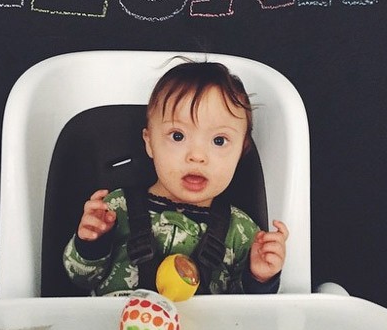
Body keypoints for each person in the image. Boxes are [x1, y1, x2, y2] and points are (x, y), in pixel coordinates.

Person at [63, 59, 289, 296]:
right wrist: (91, 244)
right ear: (150, 143)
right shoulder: (115, 209)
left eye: (219, 140)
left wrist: (260, 277)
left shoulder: (242, 232)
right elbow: (80, 278)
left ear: (241, 152)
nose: (197, 156)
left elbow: (248, 310)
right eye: (178, 136)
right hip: (118, 319)